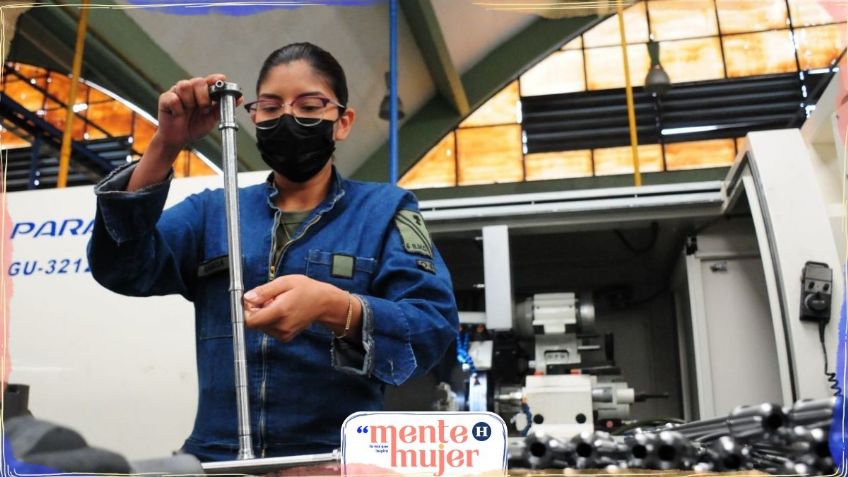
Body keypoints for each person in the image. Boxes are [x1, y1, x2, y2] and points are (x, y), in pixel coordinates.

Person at [87, 42, 459, 462]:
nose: (288, 117)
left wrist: (334, 306)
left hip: (330, 462)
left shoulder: (385, 211)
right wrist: (166, 145)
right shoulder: (215, 211)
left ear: (343, 121)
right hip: (219, 461)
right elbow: (120, 266)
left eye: (310, 105)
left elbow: (432, 326)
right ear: (253, 116)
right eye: (270, 106)